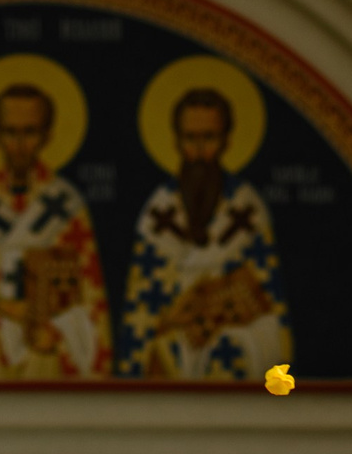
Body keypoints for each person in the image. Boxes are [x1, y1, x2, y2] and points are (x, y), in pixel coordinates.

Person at [0, 80, 111, 380]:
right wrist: (0, 309)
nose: (19, 143)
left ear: (47, 136)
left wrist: (53, 328)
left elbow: (89, 298)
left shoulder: (67, 206)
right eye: (10, 132)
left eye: (29, 132)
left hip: (49, 351)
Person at [119, 85, 290, 382]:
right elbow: (140, 313)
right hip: (170, 367)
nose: (198, 150)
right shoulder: (157, 213)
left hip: (235, 364)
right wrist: (171, 320)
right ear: (176, 140)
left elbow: (270, 309)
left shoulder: (247, 211)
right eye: (190, 138)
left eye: (209, 137)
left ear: (226, 141)